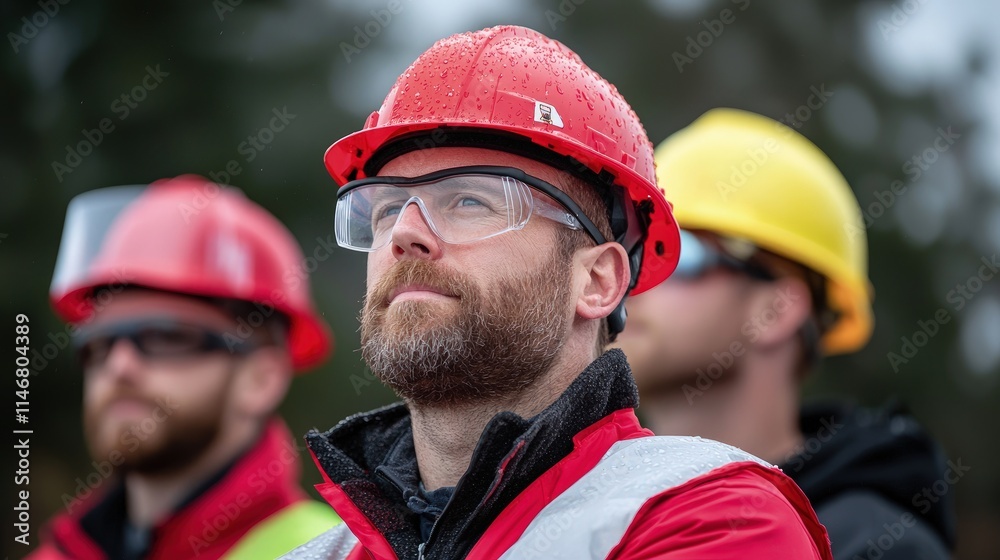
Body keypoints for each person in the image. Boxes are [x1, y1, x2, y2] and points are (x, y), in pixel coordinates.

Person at [284, 26, 832, 559]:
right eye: (385, 210)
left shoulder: (712, 519)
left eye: (470, 201)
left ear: (597, 281)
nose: (404, 233)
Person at [613, 108, 956, 559]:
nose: (632, 282)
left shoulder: (877, 547)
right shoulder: (601, 515)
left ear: (777, 311)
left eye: (679, 252)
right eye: (634, 252)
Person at [33, 175, 341, 559]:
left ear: (262, 379)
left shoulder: (333, 553)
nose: (119, 364)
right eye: (100, 342)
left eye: (165, 337)